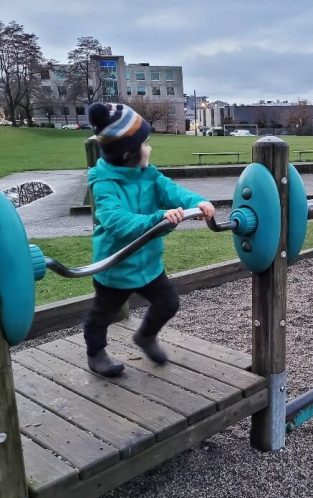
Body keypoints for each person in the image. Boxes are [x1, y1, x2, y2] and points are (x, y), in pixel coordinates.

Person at [83, 102, 215, 377]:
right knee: (101, 316)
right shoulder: (105, 183)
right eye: (145, 144)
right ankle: (95, 353)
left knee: (169, 304)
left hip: (148, 266)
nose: (150, 149)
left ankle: (145, 336)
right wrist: (158, 219)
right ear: (129, 153)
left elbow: (172, 190)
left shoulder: (149, 174)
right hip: (116, 269)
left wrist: (197, 202)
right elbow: (116, 221)